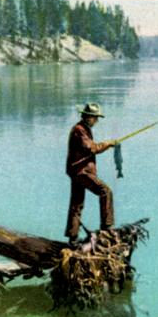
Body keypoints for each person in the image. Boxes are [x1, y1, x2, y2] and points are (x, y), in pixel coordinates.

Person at [65, 103, 117, 245]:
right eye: (96, 118)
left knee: (77, 204)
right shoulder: (79, 130)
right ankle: (107, 228)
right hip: (81, 172)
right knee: (105, 191)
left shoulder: (83, 128)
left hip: (77, 171)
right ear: (89, 117)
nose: (97, 121)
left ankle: (73, 238)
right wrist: (107, 144)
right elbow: (91, 148)